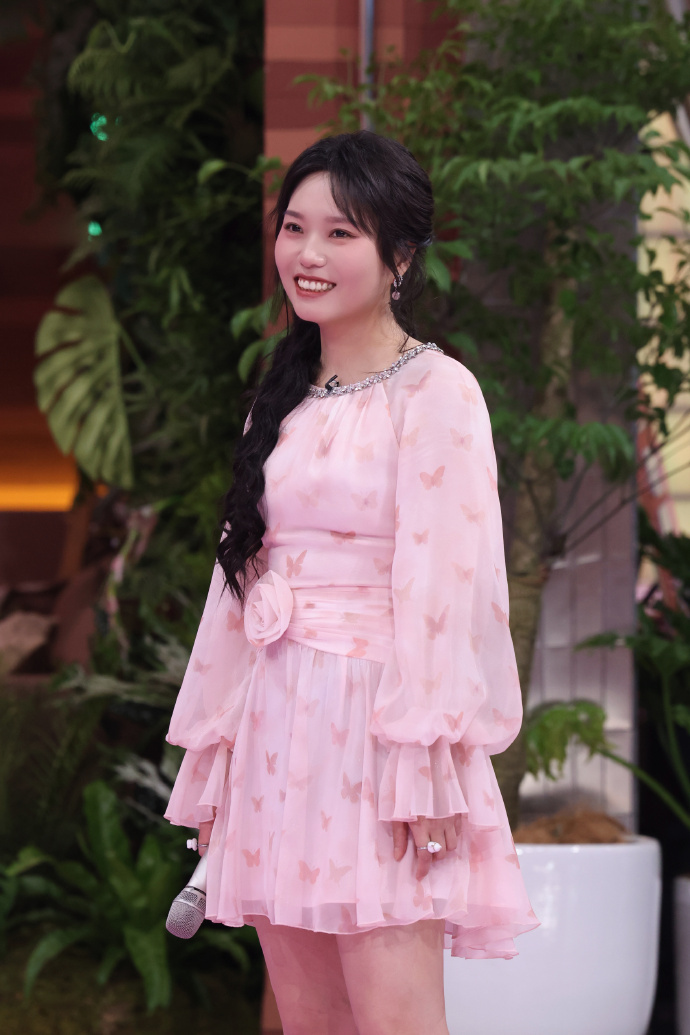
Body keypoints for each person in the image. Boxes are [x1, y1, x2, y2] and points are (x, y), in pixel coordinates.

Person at [164, 130, 540, 1035]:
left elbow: (447, 593)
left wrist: (424, 762)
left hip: (379, 739)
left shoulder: (437, 392)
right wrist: (217, 756)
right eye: (295, 228)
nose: (308, 253)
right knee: (311, 1022)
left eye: (341, 233)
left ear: (399, 257)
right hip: (277, 731)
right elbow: (238, 586)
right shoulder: (282, 396)